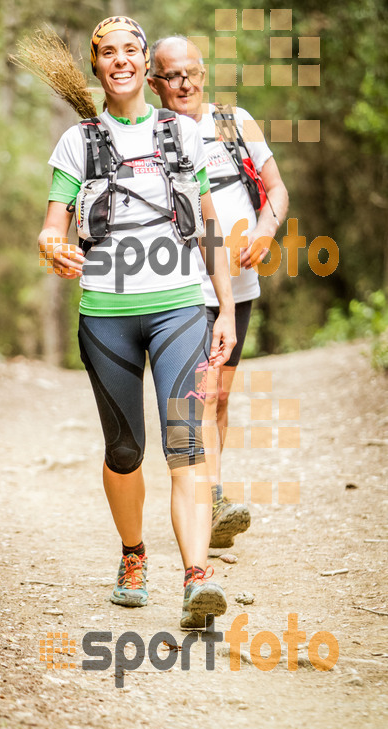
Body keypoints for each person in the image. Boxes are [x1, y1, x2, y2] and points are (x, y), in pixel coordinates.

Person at [38, 17, 236, 628]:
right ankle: (132, 556)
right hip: (106, 317)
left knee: (186, 444)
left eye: (131, 50)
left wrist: (224, 308)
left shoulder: (183, 133)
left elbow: (207, 226)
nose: (120, 60)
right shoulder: (77, 142)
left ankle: (197, 578)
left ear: (145, 63)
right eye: (107, 53)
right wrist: (52, 245)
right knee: (125, 451)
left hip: (179, 308)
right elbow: (52, 224)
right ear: (95, 66)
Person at [148, 36, 289, 548]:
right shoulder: (151, 132)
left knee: (220, 397)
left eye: (191, 73)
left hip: (240, 284)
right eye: (170, 76)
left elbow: (276, 190)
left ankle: (210, 501)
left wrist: (266, 230)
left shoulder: (233, 121)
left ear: (204, 73)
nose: (183, 84)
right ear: (153, 82)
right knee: (201, 397)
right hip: (182, 285)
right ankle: (212, 499)